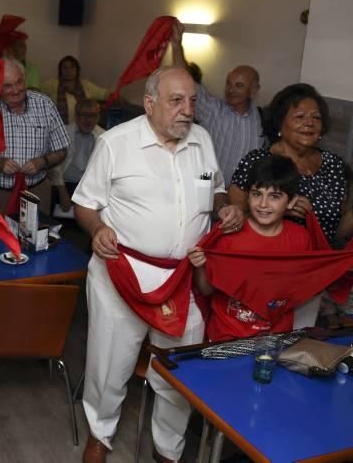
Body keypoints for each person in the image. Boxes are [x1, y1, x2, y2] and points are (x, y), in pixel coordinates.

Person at [73, 66, 243, 463]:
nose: (187, 110)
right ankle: (100, 433)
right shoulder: (116, 143)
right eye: (176, 101)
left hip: (184, 277)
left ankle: (168, 448)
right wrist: (97, 228)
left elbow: (215, 189)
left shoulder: (202, 139)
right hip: (123, 272)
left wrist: (227, 209)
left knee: (178, 368)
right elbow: (85, 203)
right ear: (149, 105)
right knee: (110, 362)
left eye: (193, 100)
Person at [228, 82, 350, 328]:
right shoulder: (258, 160)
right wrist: (280, 211)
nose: (309, 122)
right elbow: (236, 214)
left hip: (315, 275)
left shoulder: (334, 164)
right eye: (300, 116)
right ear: (280, 123)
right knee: (262, 337)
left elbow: (342, 220)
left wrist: (335, 255)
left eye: (316, 117)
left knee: (299, 342)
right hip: (268, 274)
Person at [189, 154, 311, 341]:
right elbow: (206, 290)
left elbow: (302, 287)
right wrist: (199, 265)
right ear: (247, 197)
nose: (263, 204)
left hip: (276, 339)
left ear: (292, 201)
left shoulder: (300, 239)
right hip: (227, 336)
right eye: (257, 194)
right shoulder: (227, 235)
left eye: (275, 196)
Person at [0, 58, 69, 213]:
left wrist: (43, 161)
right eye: (8, 86)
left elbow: (61, 150)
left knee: (38, 237)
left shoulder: (45, 105)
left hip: (37, 193)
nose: (16, 90)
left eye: (19, 82)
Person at [170, 20, 266, 187]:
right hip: (206, 185)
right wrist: (177, 46)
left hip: (241, 196)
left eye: (239, 85)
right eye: (229, 83)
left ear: (254, 90)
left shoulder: (261, 119)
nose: (231, 90)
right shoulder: (213, 109)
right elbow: (184, 80)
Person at [49, 99, 104, 214]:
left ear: (98, 117)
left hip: (90, 188)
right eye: (83, 115)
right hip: (63, 184)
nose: (88, 120)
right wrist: (62, 191)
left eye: (92, 116)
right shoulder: (63, 132)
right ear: (76, 116)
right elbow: (55, 166)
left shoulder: (104, 137)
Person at [42, 55, 110, 125]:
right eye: (65, 68)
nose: (69, 71)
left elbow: (105, 94)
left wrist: (117, 97)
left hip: (85, 128)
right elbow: (34, 92)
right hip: (60, 129)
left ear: (77, 69)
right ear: (60, 70)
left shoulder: (86, 85)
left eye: (72, 67)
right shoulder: (52, 85)